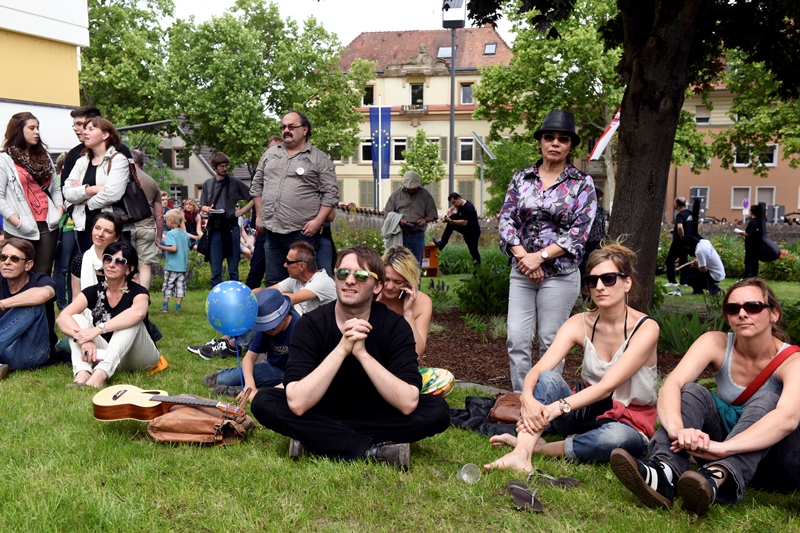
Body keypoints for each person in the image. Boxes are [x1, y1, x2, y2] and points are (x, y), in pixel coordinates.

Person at [610, 278, 800, 516]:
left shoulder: (793, 361)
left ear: (773, 314)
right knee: (692, 391)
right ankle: (663, 472)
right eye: (733, 308)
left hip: (776, 462)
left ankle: (715, 478)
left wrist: (724, 448)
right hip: (719, 449)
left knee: (768, 401)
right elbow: (671, 385)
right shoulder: (715, 343)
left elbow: (788, 418)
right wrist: (679, 432)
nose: (742, 314)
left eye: (752, 307)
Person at [250, 246, 451, 469]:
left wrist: (362, 354)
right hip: (322, 409)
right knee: (264, 402)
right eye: (343, 273)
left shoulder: (396, 327)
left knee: (437, 411)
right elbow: (298, 403)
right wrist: (342, 349)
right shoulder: (309, 325)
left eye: (361, 276)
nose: (350, 281)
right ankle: (372, 451)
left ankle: (318, 440)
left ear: (378, 287)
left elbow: (408, 402)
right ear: (335, 278)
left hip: (377, 412)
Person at [484, 241, 659, 471]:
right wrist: (526, 397)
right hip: (583, 415)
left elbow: (606, 388)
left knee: (614, 438)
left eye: (608, 279)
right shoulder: (579, 323)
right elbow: (538, 370)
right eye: (592, 281)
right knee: (547, 379)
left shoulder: (646, 328)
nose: (599, 287)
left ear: (627, 283)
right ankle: (521, 453)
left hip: (627, 424)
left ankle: (540, 449)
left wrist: (555, 409)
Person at [498, 109, 597, 391]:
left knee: (552, 342)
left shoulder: (582, 184)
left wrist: (539, 257)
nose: (555, 143)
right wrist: (524, 258)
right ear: (540, 142)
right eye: (549, 137)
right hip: (522, 272)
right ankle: (521, 399)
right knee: (516, 339)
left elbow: (579, 232)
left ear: (570, 146)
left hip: (561, 274)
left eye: (562, 139)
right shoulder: (521, 179)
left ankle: (545, 402)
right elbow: (506, 220)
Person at [190, 241, 335, 360]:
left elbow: (287, 299)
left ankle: (233, 346)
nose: (284, 265)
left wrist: (257, 300)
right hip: (299, 329)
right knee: (264, 304)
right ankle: (225, 341)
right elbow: (269, 291)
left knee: (269, 308)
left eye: (288, 262)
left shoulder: (322, 282)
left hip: (317, 335)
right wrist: (248, 294)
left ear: (302, 266)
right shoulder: (295, 281)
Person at [57, 241, 162, 388]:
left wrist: (98, 329)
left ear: (129, 269)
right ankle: (83, 373)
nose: (111, 264)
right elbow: (63, 317)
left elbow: (138, 313)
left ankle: (99, 376)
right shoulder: (94, 291)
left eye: (119, 261)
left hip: (139, 356)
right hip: (108, 353)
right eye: (108, 259)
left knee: (130, 320)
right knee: (76, 318)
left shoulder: (138, 291)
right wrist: (83, 339)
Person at [251, 112, 339, 285]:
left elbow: (331, 194)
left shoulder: (319, 158)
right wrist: (260, 215)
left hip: (302, 233)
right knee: (274, 282)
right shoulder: (270, 154)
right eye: (283, 127)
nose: (286, 131)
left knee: (304, 283)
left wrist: (318, 221)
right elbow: (256, 186)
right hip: (272, 232)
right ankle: (281, 313)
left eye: (291, 127)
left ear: (305, 129)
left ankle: (306, 313)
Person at [376, 245, 455, 397]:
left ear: (408, 281)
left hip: (401, 370)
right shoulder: (371, 296)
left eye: (398, 282)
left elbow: (416, 353)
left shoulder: (423, 302)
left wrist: (408, 313)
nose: (390, 286)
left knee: (445, 380)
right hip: (371, 368)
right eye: (386, 279)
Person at [201, 288, 300, 399]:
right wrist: (250, 384)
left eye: (271, 327)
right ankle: (221, 378)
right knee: (230, 378)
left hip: (296, 376)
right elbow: (249, 358)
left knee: (286, 389)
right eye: (264, 327)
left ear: (285, 316)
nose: (267, 331)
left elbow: (302, 375)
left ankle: (246, 392)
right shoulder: (265, 330)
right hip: (273, 368)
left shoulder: (300, 330)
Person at [0, 112, 65, 275]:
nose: (37, 132)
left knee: (42, 274)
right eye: (32, 128)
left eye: (38, 128)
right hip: (19, 228)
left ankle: (42, 302)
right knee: (17, 274)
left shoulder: (45, 158)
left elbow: (56, 189)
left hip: (48, 225)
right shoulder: (5, 159)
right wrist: (18, 222)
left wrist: (58, 211)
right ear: (18, 130)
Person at [63, 117, 130, 253]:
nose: (85, 132)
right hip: (84, 227)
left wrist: (86, 201)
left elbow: (112, 194)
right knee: (88, 268)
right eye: (85, 129)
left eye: (91, 129)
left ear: (105, 135)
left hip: (111, 227)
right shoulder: (81, 162)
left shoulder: (118, 160)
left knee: (112, 268)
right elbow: (67, 192)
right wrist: (92, 189)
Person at [0, 238, 58, 378]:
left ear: (28, 265)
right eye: (3, 257)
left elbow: (44, 294)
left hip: (33, 352)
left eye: (14, 259)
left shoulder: (39, 280)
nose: (7, 262)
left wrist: (2, 303)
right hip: (5, 349)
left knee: (33, 302)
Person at [199, 151, 252, 288]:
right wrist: (207, 209)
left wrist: (240, 211)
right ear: (214, 167)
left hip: (231, 227)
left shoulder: (235, 182)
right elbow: (202, 205)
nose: (225, 168)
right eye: (221, 166)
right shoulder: (208, 184)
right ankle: (216, 298)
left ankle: (235, 295)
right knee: (215, 269)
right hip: (215, 228)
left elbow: (253, 197)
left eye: (226, 165)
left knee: (233, 268)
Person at [245, 135, 285, 289]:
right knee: (257, 267)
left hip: (284, 227)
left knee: (280, 270)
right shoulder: (261, 170)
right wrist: (258, 217)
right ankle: (246, 300)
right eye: (271, 149)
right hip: (264, 227)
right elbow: (255, 193)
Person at [384, 171, 438, 266]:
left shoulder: (425, 195)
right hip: (400, 235)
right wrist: (399, 220)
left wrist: (425, 220)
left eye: (413, 188)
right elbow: (387, 213)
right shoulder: (396, 194)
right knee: (399, 265)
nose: (410, 190)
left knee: (416, 265)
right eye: (408, 188)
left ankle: (415, 281)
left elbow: (433, 214)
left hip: (417, 235)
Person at [130, 149, 164, 290]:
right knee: (145, 266)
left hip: (127, 226)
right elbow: (160, 215)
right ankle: (143, 299)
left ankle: (129, 300)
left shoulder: (123, 178)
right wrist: (159, 236)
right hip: (147, 226)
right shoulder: (152, 182)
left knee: (128, 265)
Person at [70, 212, 123, 297]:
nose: (100, 234)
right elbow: (76, 299)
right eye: (97, 228)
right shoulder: (79, 261)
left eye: (108, 231)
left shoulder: (123, 261)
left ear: (116, 237)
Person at [53, 151, 80, 310]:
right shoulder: (57, 182)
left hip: (76, 227)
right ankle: (62, 303)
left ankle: (73, 301)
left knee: (74, 267)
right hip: (65, 229)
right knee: (62, 268)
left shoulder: (72, 182)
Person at [157, 209, 192, 313]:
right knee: (180, 287)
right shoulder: (185, 234)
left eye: (166, 220)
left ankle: (165, 306)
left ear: (171, 220)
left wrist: (161, 246)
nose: (165, 222)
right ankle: (178, 307)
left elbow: (173, 248)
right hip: (182, 266)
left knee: (168, 285)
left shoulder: (171, 234)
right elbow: (188, 246)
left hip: (171, 265)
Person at [433, 192, 481, 265]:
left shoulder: (468, 207)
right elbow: (455, 207)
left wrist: (451, 220)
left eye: (454, 202)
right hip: (466, 230)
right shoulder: (460, 204)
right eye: (452, 203)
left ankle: (478, 269)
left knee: (474, 252)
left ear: (458, 198)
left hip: (472, 232)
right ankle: (442, 244)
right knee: (450, 224)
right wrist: (450, 210)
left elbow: (464, 222)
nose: (454, 205)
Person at [664, 197, 695, 296]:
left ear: (677, 204)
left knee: (669, 260)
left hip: (679, 241)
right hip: (689, 241)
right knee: (683, 260)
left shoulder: (680, 214)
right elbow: (689, 226)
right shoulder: (690, 213)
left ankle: (672, 281)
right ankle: (684, 280)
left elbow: (680, 226)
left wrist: (682, 237)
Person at [579, 187, 607, 280]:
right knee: (585, 265)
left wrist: (603, 238)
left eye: (599, 196)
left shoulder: (600, 209)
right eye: (596, 195)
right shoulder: (584, 209)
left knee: (597, 262)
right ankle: (585, 288)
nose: (598, 198)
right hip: (586, 242)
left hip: (598, 242)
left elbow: (602, 225)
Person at [742, 203, 763, 278]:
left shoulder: (752, 222)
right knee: (755, 262)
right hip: (757, 245)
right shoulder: (760, 222)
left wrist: (742, 233)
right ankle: (754, 276)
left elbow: (749, 233)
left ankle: (747, 276)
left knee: (749, 261)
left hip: (750, 245)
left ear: (751, 212)